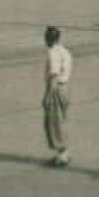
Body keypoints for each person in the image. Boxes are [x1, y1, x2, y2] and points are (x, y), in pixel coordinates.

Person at [42, 26, 73, 168]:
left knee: (54, 123)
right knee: (60, 121)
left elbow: (54, 75)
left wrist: (47, 95)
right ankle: (62, 153)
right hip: (65, 88)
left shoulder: (52, 52)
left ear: (48, 38)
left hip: (56, 88)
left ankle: (63, 155)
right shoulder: (65, 51)